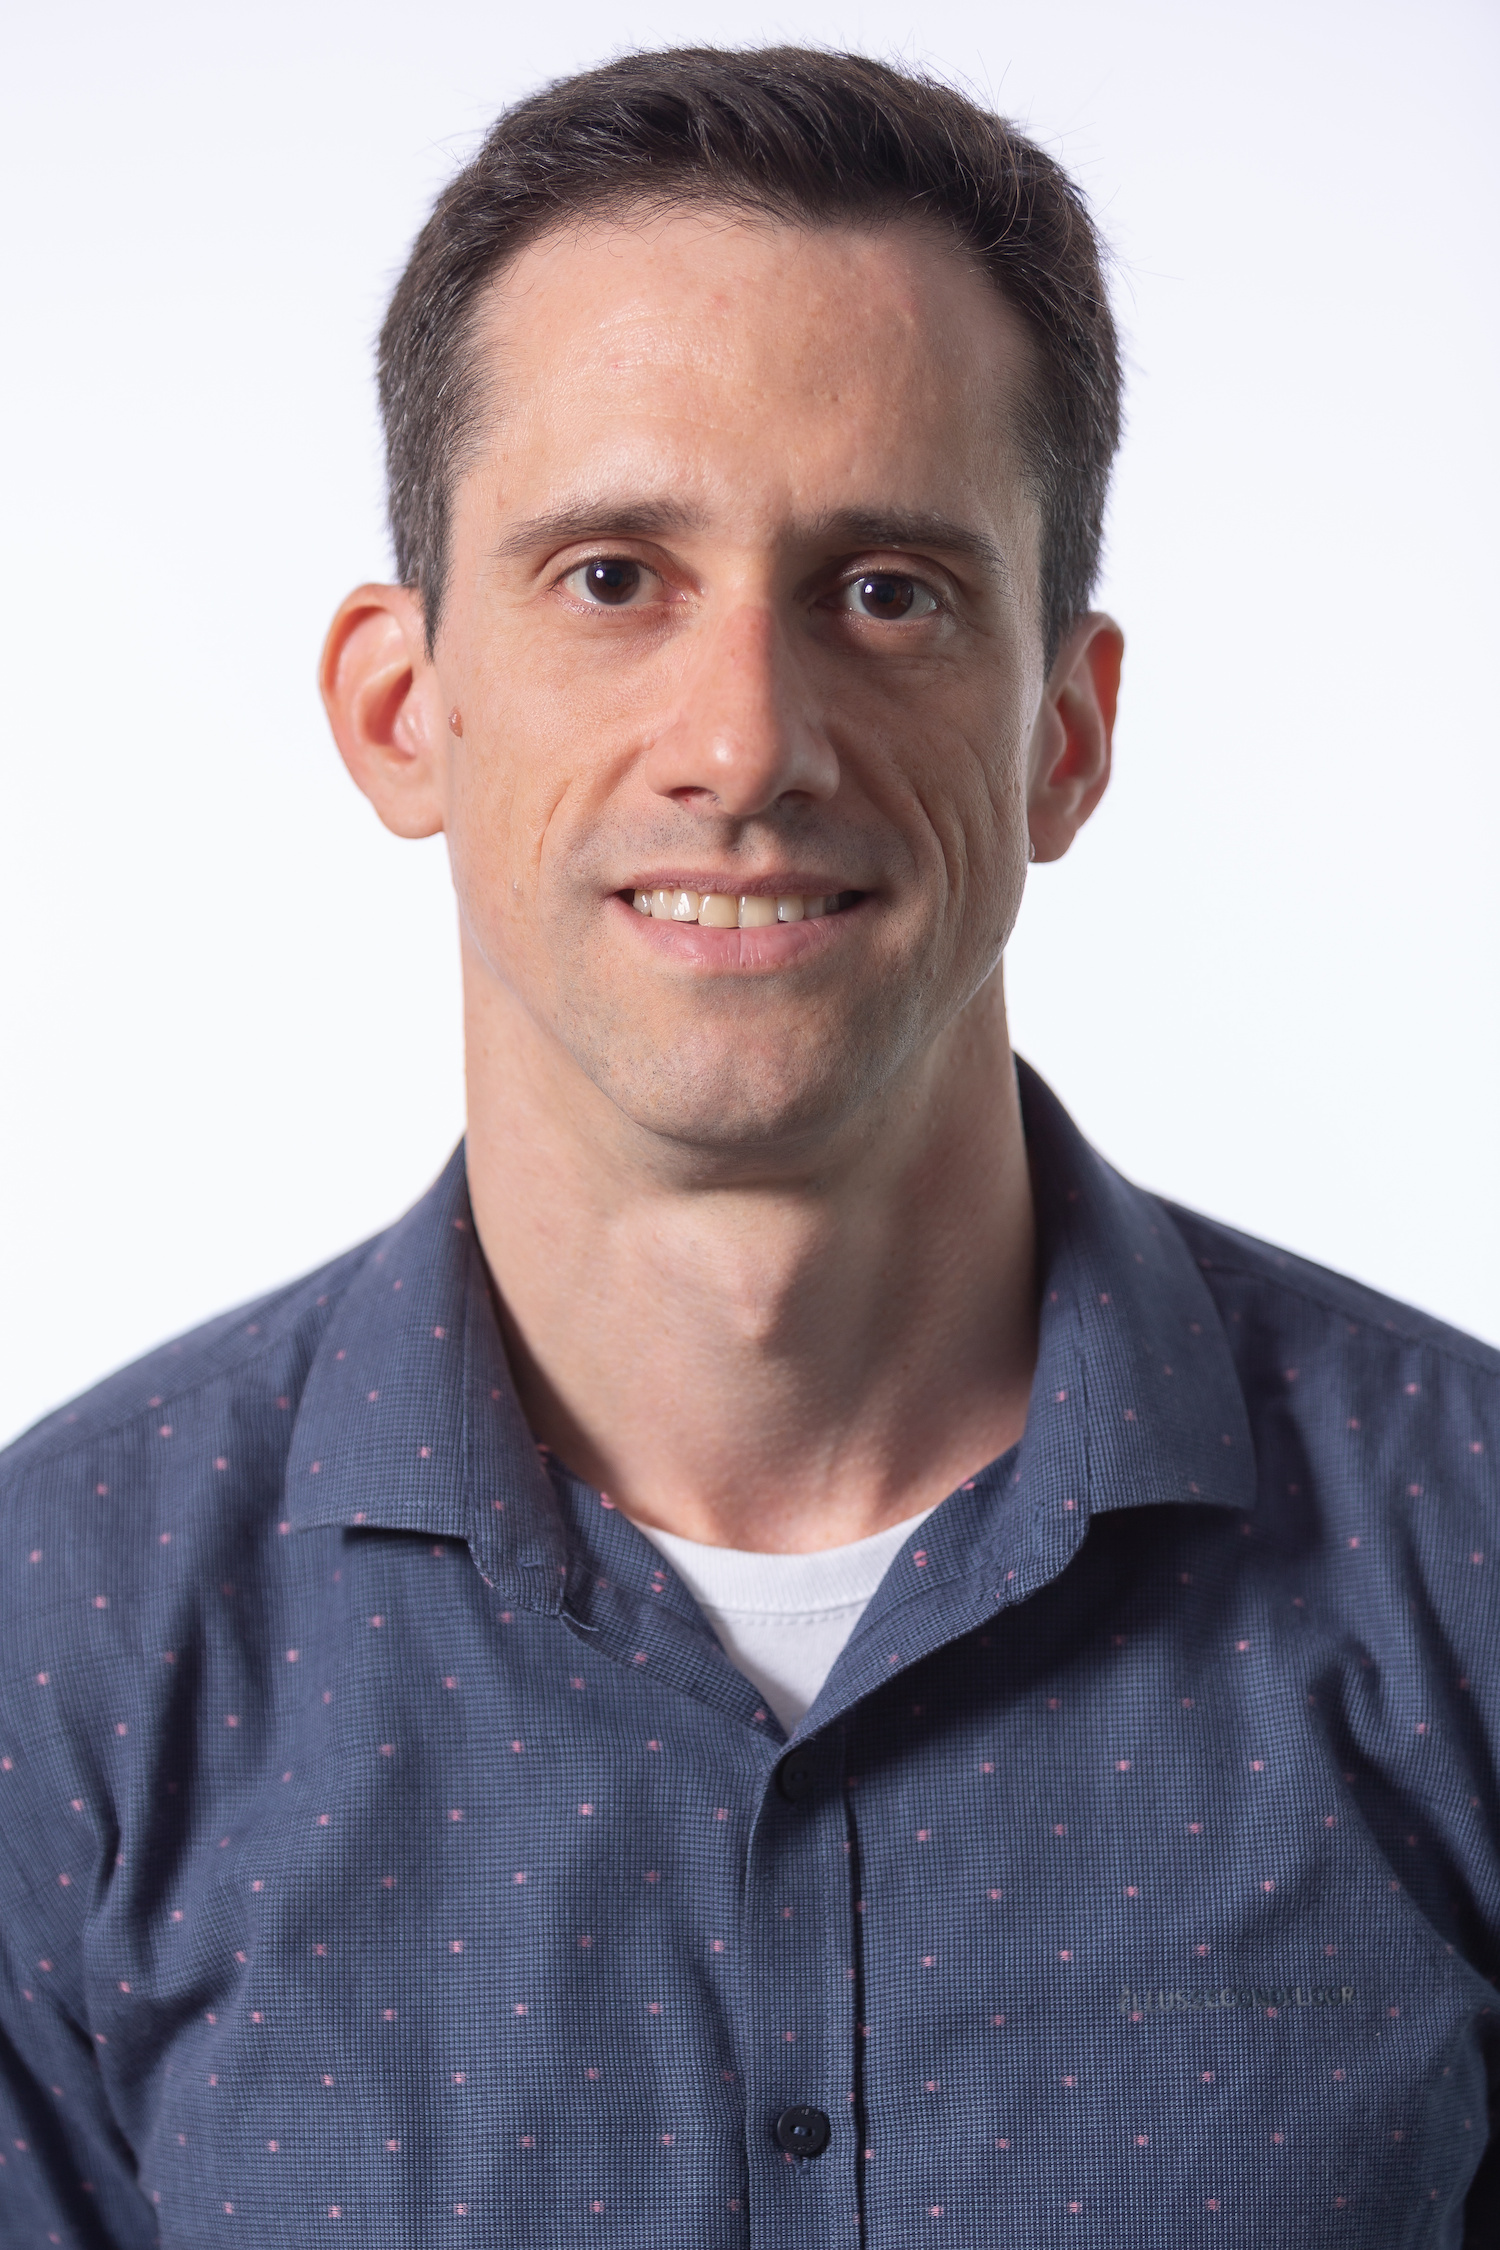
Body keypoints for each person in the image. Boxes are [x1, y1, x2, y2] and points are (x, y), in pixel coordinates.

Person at [1, 43, 1495, 2248]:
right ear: (403, 711)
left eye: (885, 589)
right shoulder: (59, 1630)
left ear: (1066, 736)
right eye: (613, 575)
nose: (745, 742)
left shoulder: (1469, 1563)